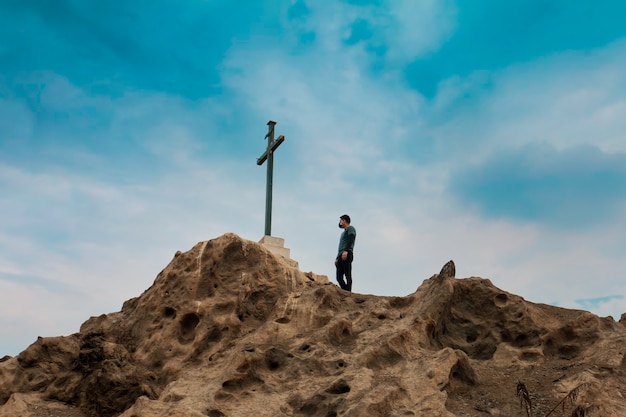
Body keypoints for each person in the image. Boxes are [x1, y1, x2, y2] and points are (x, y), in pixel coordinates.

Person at [335, 214, 356, 291]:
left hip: (347, 253)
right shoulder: (343, 233)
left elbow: (351, 239)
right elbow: (340, 246)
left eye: (341, 220)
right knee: (339, 277)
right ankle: (345, 291)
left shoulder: (350, 228)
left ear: (344, 220)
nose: (340, 222)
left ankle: (348, 292)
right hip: (340, 255)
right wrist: (337, 258)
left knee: (347, 274)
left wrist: (346, 250)